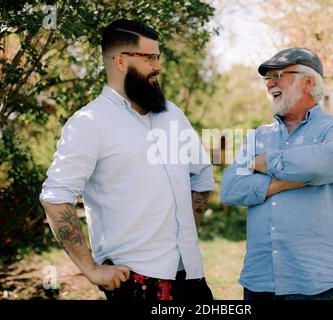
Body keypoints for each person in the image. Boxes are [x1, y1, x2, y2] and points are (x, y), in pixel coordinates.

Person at [40, 19, 215, 302]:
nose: (158, 66)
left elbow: (201, 177)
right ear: (120, 61)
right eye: (149, 58)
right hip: (135, 282)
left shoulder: (173, 115)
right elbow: (55, 197)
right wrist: (90, 269)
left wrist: (186, 231)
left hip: (192, 276)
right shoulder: (89, 123)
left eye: (158, 57)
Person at [220, 48, 333, 300]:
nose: (270, 83)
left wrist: (261, 163)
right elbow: (229, 189)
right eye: (267, 78)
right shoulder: (258, 136)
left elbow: (320, 164)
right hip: (260, 282)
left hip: (317, 284)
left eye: (279, 75)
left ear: (309, 81)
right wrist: (286, 182)